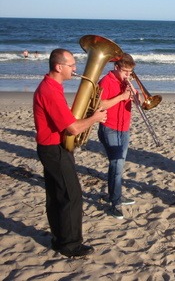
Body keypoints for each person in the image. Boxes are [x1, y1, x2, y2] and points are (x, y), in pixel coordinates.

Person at [33, 48, 107, 258]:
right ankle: (71, 244)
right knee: (71, 196)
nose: (75, 69)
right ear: (59, 67)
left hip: (52, 147)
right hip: (54, 149)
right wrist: (95, 118)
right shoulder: (49, 90)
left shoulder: (52, 86)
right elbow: (73, 129)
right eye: (71, 65)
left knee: (57, 195)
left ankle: (59, 239)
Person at [97, 53, 140, 219]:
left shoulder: (127, 82)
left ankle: (116, 195)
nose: (128, 75)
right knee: (116, 164)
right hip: (109, 128)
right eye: (125, 72)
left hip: (124, 128)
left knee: (118, 166)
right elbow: (100, 104)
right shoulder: (106, 81)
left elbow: (138, 103)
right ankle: (115, 203)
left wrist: (136, 96)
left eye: (130, 72)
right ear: (116, 68)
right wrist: (122, 96)